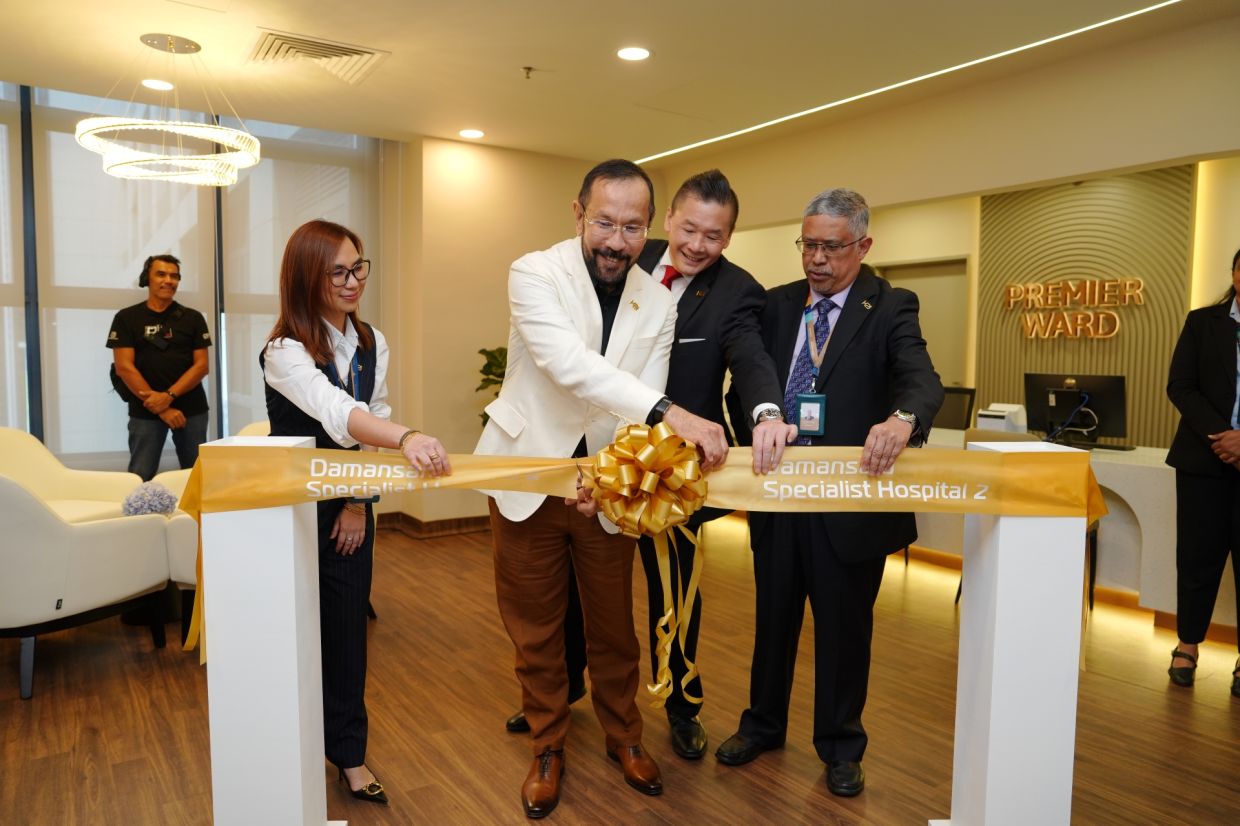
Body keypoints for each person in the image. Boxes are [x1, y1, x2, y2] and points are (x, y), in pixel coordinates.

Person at [501, 170, 797, 762]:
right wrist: (658, 422)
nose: (696, 244)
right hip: (557, 468)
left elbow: (749, 359)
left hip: (663, 471)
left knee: (669, 599)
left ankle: (678, 707)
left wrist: (766, 411)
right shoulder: (565, 266)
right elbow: (568, 361)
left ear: (729, 237)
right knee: (565, 610)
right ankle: (555, 712)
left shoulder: (728, 293)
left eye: (714, 235)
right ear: (666, 223)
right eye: (688, 228)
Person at [475, 159, 727, 819]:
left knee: (615, 628)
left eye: (633, 227)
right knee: (536, 629)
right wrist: (672, 413)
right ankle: (548, 746)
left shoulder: (660, 300)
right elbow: (567, 366)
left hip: (608, 487)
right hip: (528, 475)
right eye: (605, 222)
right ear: (579, 213)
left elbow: (623, 409)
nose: (617, 241)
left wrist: (609, 473)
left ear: (651, 229)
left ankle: (625, 738)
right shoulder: (534, 272)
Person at [715, 188, 943, 797]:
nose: (815, 259)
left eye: (830, 247)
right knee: (773, 619)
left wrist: (903, 420)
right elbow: (748, 374)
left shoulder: (891, 305)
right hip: (780, 497)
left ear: (863, 246)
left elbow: (921, 379)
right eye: (807, 244)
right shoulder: (778, 304)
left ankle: (841, 745)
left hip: (848, 503)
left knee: (844, 631)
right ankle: (762, 725)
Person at [261, 219, 450, 806]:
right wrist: (408, 436)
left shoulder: (372, 340)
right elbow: (336, 412)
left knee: (346, 635)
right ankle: (281, 746)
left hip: (347, 507)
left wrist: (357, 504)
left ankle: (349, 756)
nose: (352, 282)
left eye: (358, 267)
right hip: (292, 511)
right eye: (337, 271)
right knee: (291, 636)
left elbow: (372, 412)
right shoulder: (284, 350)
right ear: (306, 279)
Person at [1165, 246, 1240, 698]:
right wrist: (1224, 436)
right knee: (1197, 558)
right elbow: (1181, 385)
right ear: (1234, 273)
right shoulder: (1202, 322)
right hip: (1202, 461)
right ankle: (1187, 645)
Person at [107, 254, 212, 481]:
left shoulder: (193, 318)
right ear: (148, 278)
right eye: (161, 274)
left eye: (174, 276)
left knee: (195, 476)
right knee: (140, 476)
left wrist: (168, 396)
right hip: (145, 409)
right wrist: (162, 407)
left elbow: (202, 366)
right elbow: (124, 368)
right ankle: (140, 518)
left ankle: (194, 518)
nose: (169, 280)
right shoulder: (126, 318)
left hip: (191, 410)